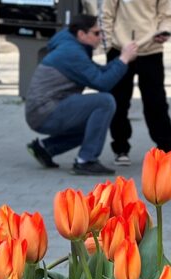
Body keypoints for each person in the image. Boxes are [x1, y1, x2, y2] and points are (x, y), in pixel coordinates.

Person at [25, 15, 138, 175]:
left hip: (42, 111)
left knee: (94, 123)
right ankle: (86, 160)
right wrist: (124, 59)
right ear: (81, 34)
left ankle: (45, 149)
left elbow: (97, 72)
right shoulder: (72, 52)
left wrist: (121, 59)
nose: (101, 37)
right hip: (45, 113)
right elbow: (102, 83)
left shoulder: (72, 45)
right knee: (105, 102)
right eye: (96, 33)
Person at [101, 0, 171, 166]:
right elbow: (106, 15)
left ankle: (165, 147)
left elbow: (167, 15)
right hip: (120, 50)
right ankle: (120, 148)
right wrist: (108, 46)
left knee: (156, 101)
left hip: (151, 50)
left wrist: (164, 31)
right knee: (119, 101)